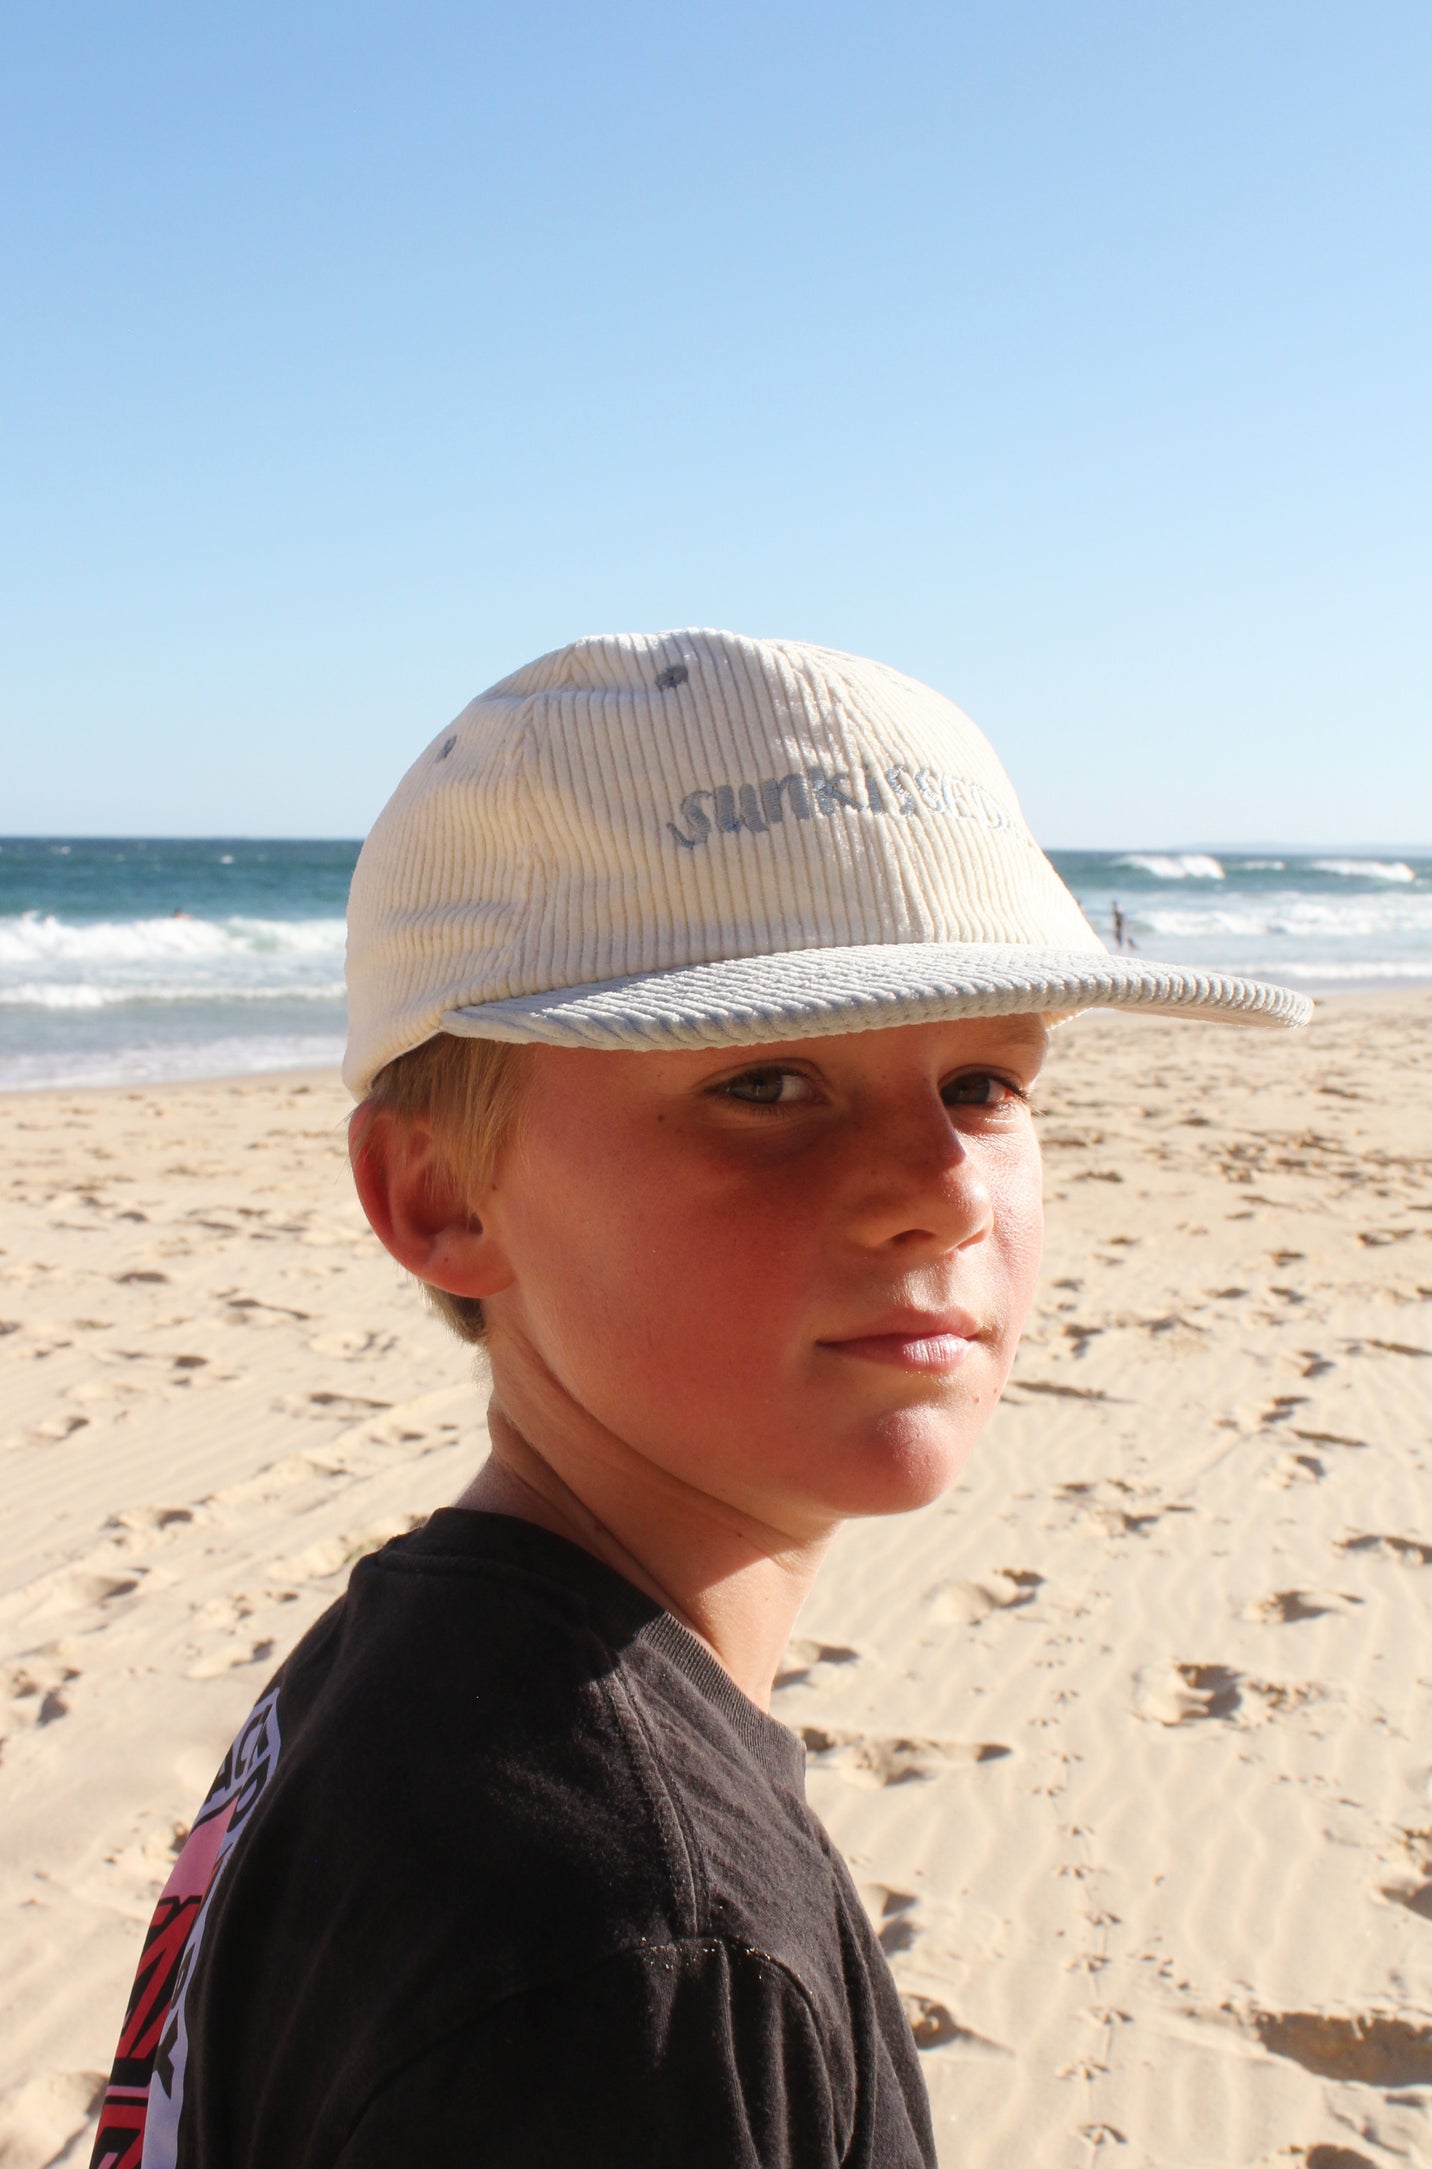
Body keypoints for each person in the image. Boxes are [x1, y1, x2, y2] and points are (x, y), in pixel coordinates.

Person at [90, 631, 1308, 2167]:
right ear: (439, 1194)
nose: (941, 1191)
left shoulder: (408, 1674)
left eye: (985, 1084)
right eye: (765, 1083)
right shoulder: (630, 1956)